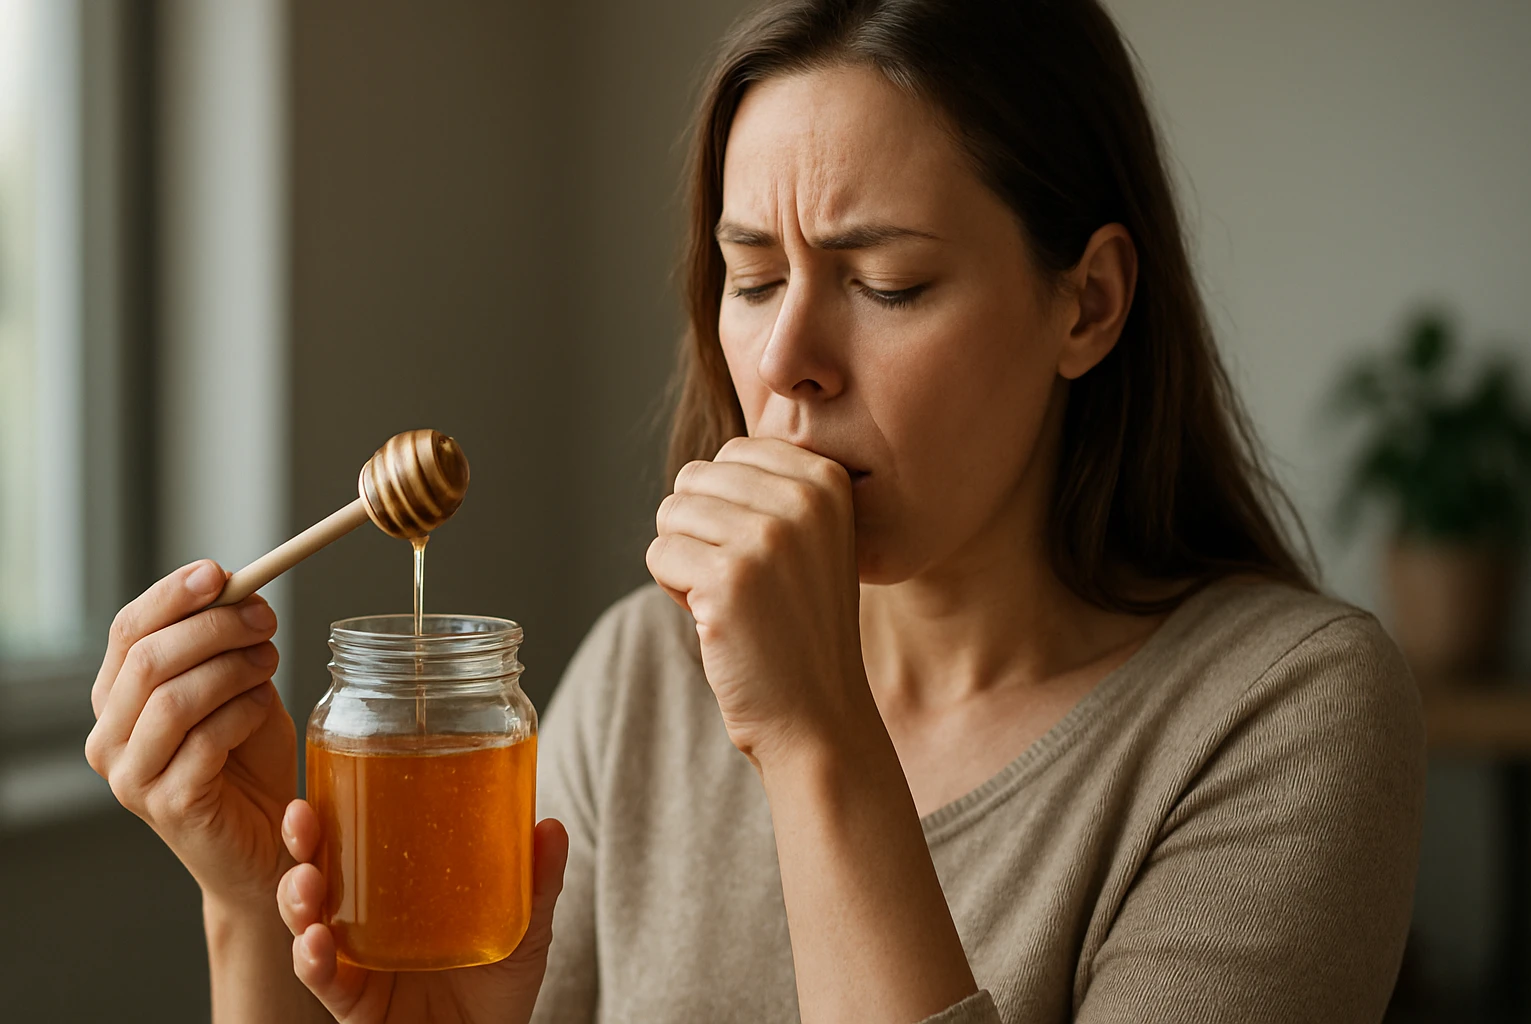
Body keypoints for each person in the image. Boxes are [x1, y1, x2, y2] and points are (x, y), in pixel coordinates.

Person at [85, 1, 1425, 1021]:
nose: (786, 362)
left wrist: (814, 735)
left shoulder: (1289, 714)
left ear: (1088, 304)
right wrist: (250, 908)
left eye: (888, 282)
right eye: (747, 275)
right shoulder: (638, 684)